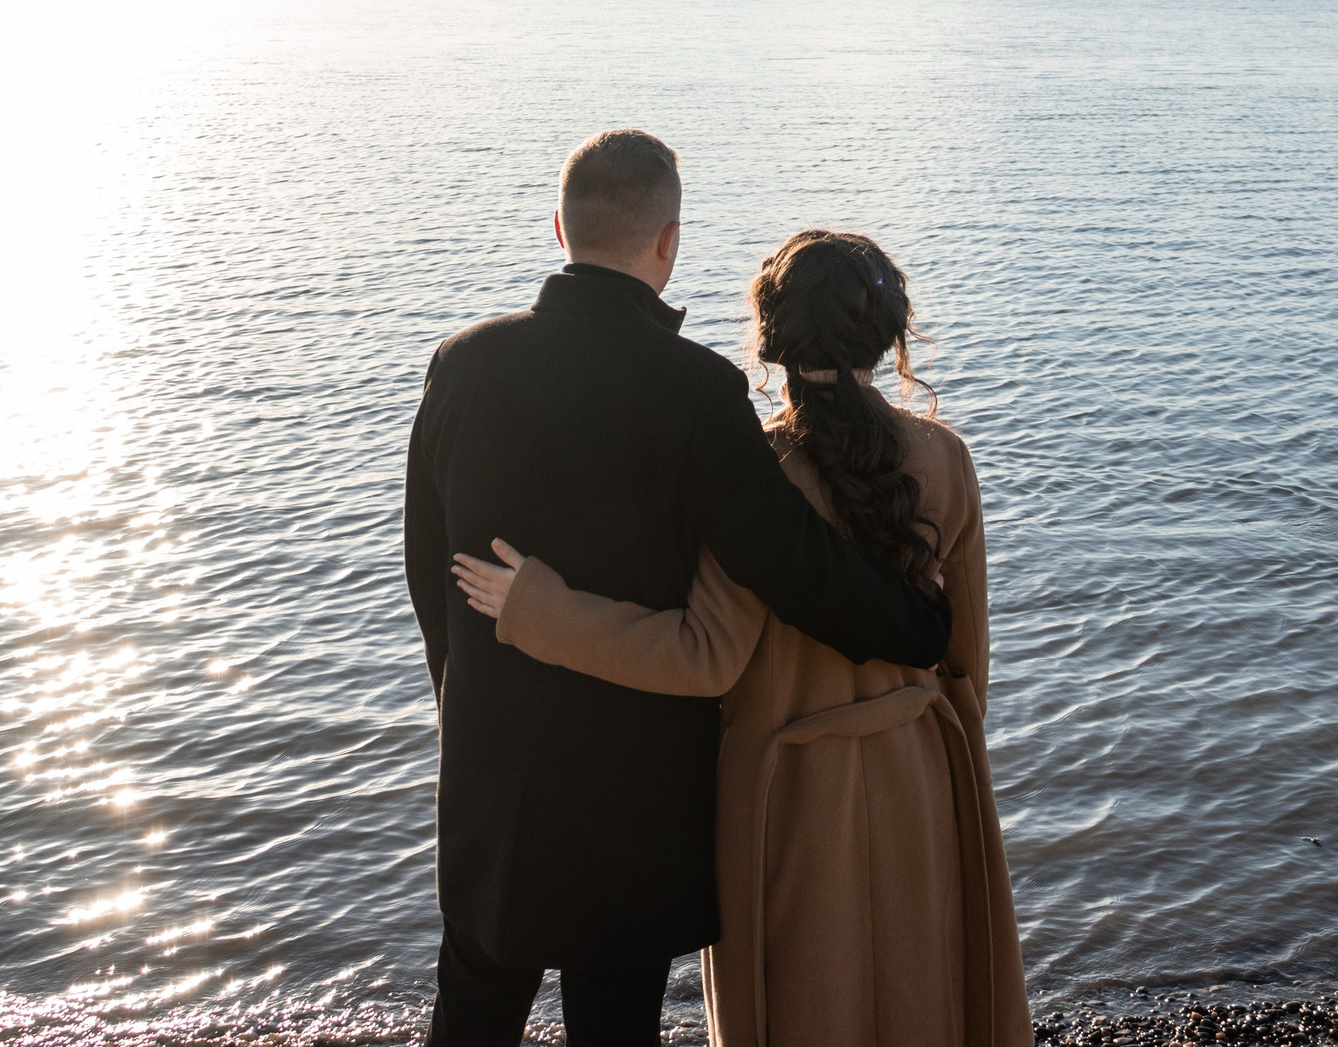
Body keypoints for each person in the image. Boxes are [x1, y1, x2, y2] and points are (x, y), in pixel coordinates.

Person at [404, 133, 952, 1047]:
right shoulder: (697, 389)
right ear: (668, 242)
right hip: (635, 795)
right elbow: (791, 561)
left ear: (559, 229)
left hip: (492, 776)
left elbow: (429, 574)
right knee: (617, 1027)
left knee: (470, 1017)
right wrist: (915, 622)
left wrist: (466, 706)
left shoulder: (461, 364)